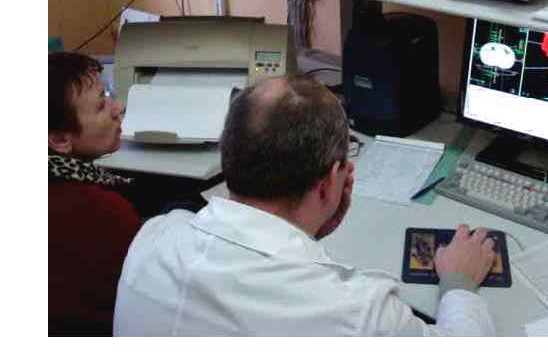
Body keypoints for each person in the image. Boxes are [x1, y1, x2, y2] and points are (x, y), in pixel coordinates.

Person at [113, 75, 497, 336]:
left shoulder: (154, 237)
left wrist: (313, 225)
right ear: (330, 180)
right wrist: (458, 281)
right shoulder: (356, 311)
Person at [48, 52, 142, 336]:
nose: (118, 108)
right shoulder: (102, 212)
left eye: (109, 95)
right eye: (102, 105)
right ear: (60, 139)